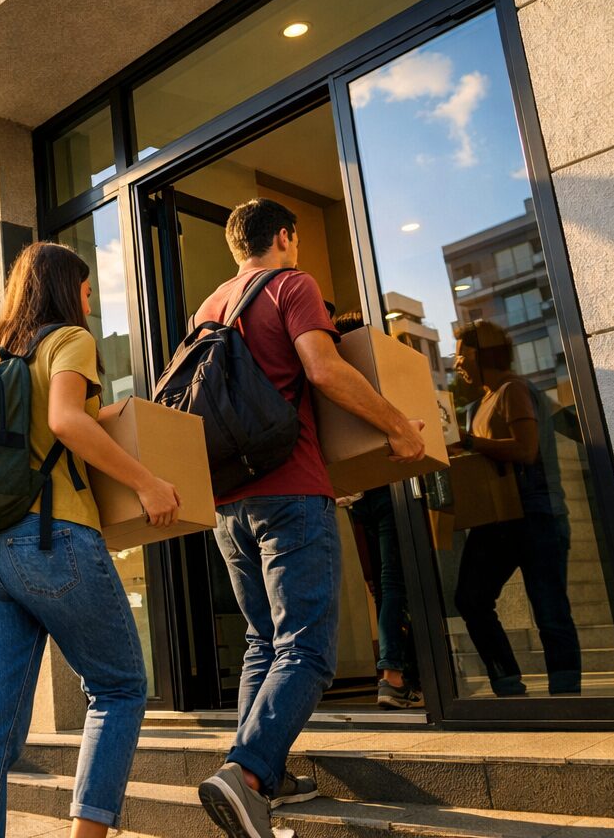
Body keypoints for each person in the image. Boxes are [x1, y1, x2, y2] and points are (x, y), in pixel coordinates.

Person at [192, 199, 425, 838]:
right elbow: (323, 369)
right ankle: (246, 774)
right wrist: (398, 427)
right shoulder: (292, 284)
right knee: (307, 650)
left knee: (263, 643)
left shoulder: (208, 308)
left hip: (229, 504)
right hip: (291, 491)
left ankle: (260, 775)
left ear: (236, 246)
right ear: (285, 236)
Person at [0, 241, 178, 838]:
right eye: (86, 289)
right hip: (52, 540)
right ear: (65, 289)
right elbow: (65, 420)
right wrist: (148, 483)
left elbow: (43, 427)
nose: (90, 302)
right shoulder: (70, 340)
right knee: (120, 688)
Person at [450, 319, 580, 696]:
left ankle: (567, 696)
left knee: (549, 609)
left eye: (461, 355)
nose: (457, 363)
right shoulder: (478, 405)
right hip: (497, 518)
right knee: (471, 598)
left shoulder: (514, 389)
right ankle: (507, 684)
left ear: (482, 354)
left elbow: (526, 449)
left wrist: (469, 442)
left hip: (536, 515)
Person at [332, 311, 423, 710]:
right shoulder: (375, 382)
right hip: (388, 489)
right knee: (394, 584)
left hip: (357, 496)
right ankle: (393, 676)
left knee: (383, 587)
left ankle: (401, 674)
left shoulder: (335, 385)